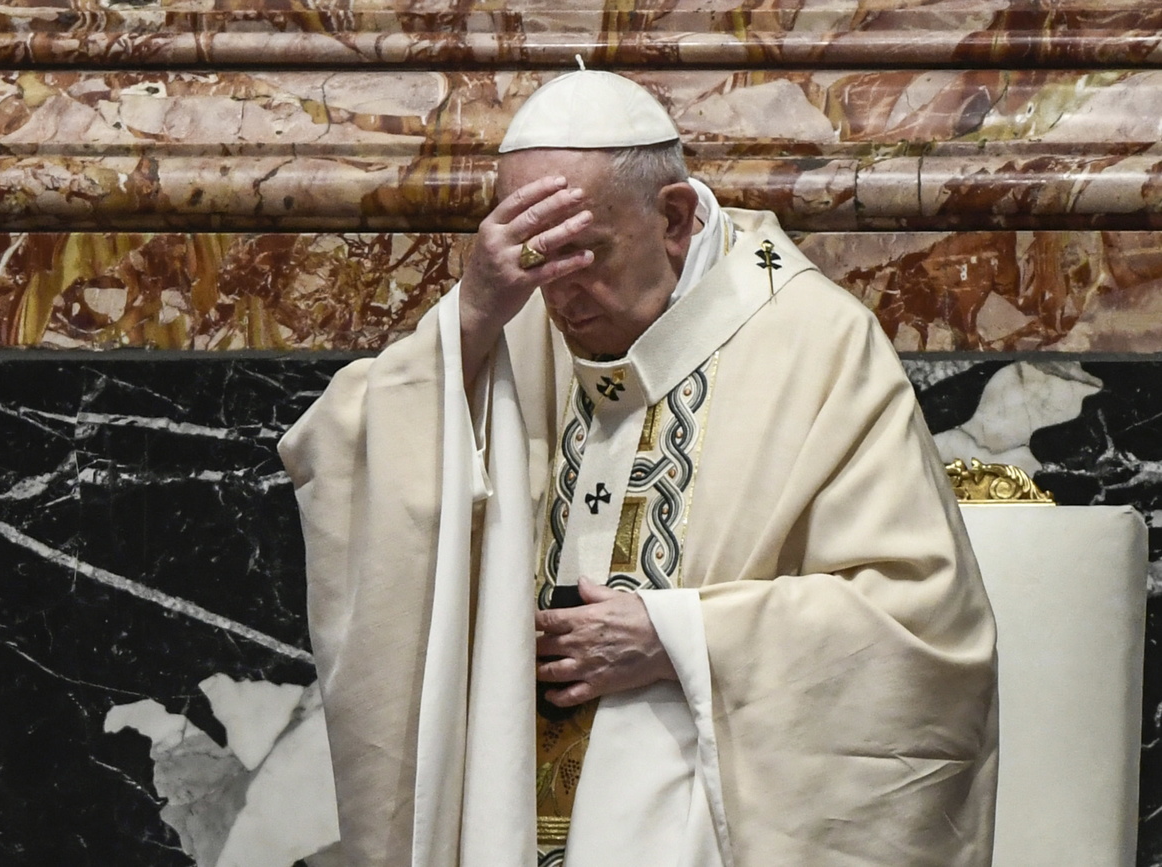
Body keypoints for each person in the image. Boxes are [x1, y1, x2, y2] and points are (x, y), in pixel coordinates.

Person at [279, 68, 998, 867]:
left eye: (587, 253)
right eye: (534, 254)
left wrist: (681, 635)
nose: (561, 292)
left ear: (676, 218)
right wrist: (474, 313)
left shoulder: (818, 343)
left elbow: (921, 624)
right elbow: (344, 450)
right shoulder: (519, 317)